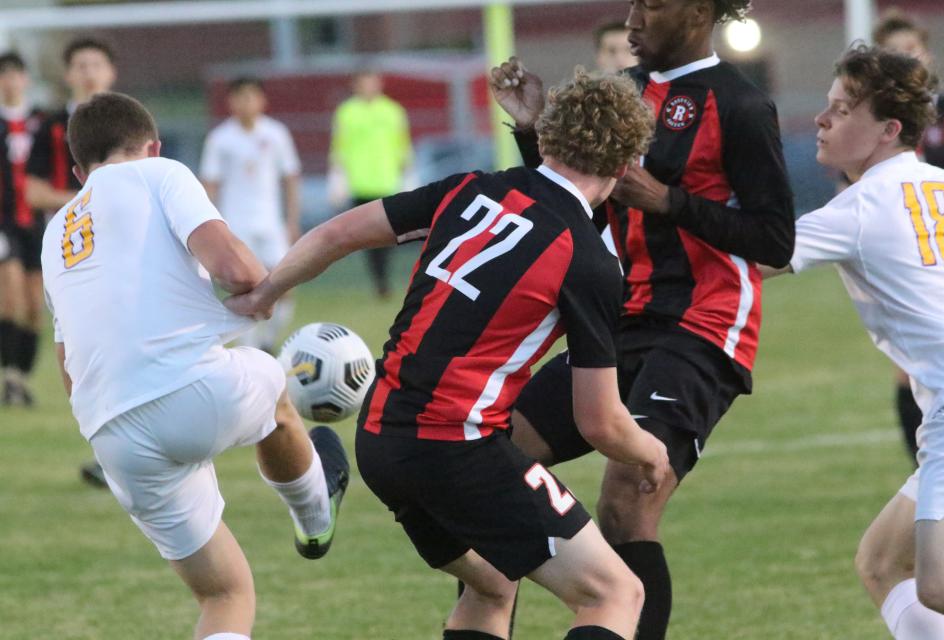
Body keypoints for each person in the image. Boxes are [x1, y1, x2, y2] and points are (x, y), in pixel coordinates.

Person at [227, 69, 669, 640]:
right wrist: (650, 451)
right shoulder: (587, 259)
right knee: (614, 592)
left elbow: (338, 234)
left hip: (382, 442)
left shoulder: (470, 189)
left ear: (551, 139)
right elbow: (601, 421)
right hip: (455, 450)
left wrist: (268, 291)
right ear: (624, 166)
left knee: (492, 583)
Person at [489, 0, 794, 637]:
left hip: (703, 324)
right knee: (496, 459)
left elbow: (775, 239)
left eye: (649, 4)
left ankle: (613, 612)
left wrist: (668, 201)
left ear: (697, 11)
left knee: (629, 498)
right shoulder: (622, 92)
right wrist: (530, 131)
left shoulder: (739, 104)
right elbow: (571, 201)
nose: (632, 17)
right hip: (618, 318)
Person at [41, 92, 348, 640]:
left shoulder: (55, 233)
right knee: (273, 383)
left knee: (223, 594)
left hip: (111, 433)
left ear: (77, 169)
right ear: (153, 146)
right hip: (192, 391)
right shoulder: (159, 172)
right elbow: (236, 267)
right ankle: (316, 519)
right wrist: (261, 291)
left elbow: (68, 364)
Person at [765, 46, 944, 640]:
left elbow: (743, 260)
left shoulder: (860, 206)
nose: (823, 120)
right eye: (826, 107)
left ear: (888, 130)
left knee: (942, 584)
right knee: (882, 562)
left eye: (842, 109)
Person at [25, 37, 117, 487]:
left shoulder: (128, 124)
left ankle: (126, 453)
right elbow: (34, 192)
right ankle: (107, 450)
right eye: (79, 65)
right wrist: (84, 201)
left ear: (110, 73)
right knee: (81, 355)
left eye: (95, 64)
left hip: (121, 252)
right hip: (68, 255)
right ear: (68, 75)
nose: (88, 72)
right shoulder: (49, 128)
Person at [872, 8, 944, 464]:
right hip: (905, 256)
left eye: (912, 49)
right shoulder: (874, 125)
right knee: (910, 368)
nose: (907, 59)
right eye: (895, 53)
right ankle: (924, 466)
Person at [200, 76, 301, 354]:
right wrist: (212, 229)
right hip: (236, 225)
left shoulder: (276, 133)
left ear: (262, 100)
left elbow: (290, 177)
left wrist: (292, 220)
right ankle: (251, 349)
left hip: (270, 224)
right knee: (245, 289)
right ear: (230, 102)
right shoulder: (220, 138)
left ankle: (268, 340)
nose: (246, 102)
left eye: (251, 96)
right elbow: (210, 183)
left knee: (284, 283)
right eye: (240, 97)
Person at [328, 69, 412, 299]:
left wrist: (408, 176)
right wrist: (337, 178)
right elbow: (339, 146)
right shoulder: (346, 112)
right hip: (360, 183)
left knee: (389, 234)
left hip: (387, 182)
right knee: (366, 236)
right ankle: (379, 280)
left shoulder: (393, 111)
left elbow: (403, 145)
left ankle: (384, 278)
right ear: (355, 85)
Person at [0, 52, 45, 405]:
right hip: (5, 223)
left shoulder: (44, 122)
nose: (10, 81)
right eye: (4, 75)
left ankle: (21, 379)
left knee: (34, 307)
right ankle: (10, 376)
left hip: (39, 225)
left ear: (26, 79)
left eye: (16, 74)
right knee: (10, 295)